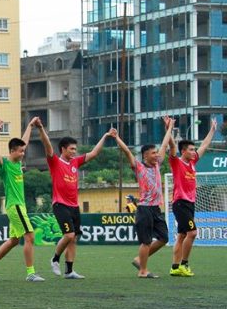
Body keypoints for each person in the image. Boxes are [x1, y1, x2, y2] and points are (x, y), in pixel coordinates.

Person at [36, 121, 116, 280]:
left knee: (74, 238)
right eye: (71, 149)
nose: (74, 151)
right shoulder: (55, 162)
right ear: (63, 149)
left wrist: (106, 136)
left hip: (74, 206)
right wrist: (40, 128)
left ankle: (69, 271)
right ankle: (54, 258)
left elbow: (93, 153)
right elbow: (47, 145)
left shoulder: (75, 162)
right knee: (69, 235)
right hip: (60, 204)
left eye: (75, 149)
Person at [0, 117, 45, 282]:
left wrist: (30, 125)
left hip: (19, 207)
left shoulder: (18, 164)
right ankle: (30, 273)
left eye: (23, 151)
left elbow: (24, 142)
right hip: (15, 206)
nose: (23, 153)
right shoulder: (5, 165)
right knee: (30, 236)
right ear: (12, 151)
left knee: (14, 240)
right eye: (20, 151)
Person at [114, 117, 174, 278]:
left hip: (156, 209)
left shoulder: (157, 165)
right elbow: (127, 151)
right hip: (144, 209)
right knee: (146, 241)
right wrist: (117, 137)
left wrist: (169, 127)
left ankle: (139, 260)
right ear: (145, 156)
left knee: (164, 238)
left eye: (156, 152)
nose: (156, 155)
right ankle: (143, 271)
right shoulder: (139, 167)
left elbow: (165, 143)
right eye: (153, 153)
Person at [167, 119, 218, 277]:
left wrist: (212, 130)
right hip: (180, 203)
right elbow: (172, 146)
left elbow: (204, 146)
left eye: (193, 149)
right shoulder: (176, 162)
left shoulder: (193, 162)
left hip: (190, 203)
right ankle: (184, 264)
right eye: (190, 149)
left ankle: (174, 267)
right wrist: (169, 128)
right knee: (193, 233)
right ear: (183, 151)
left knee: (182, 235)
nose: (193, 151)